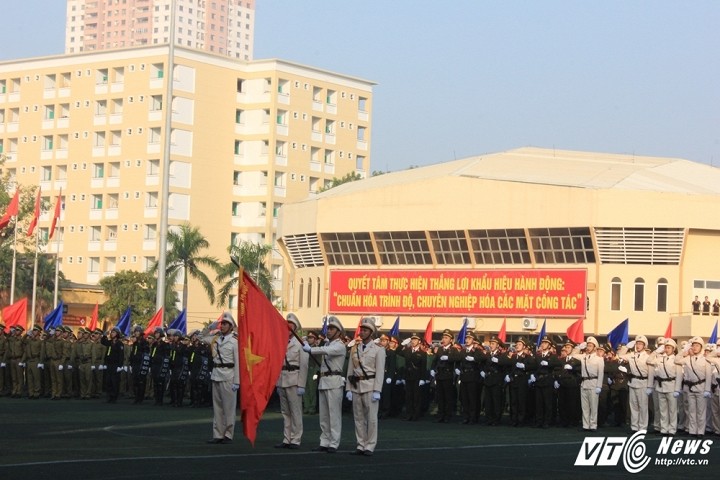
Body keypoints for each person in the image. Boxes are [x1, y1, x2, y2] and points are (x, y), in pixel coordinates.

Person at [303, 315, 346, 453]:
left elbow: (326, 351)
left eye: (332, 328)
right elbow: (324, 349)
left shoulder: (339, 345)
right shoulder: (327, 344)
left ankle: (334, 442)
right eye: (328, 328)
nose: (328, 330)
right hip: (324, 381)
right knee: (324, 416)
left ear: (338, 332)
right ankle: (324, 441)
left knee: (334, 415)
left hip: (334, 381)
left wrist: (311, 349)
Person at [346, 317, 386, 456]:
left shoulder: (378, 350)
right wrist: (348, 389)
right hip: (356, 385)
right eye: (361, 330)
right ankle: (360, 444)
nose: (362, 333)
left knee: (371, 418)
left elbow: (380, 371)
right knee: (358, 417)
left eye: (365, 330)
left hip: (370, 386)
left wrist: (377, 390)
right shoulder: (354, 349)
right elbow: (350, 371)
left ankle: (370, 445)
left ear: (371, 332)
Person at [200, 311, 240, 444]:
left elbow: (238, 363)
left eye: (225, 324)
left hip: (229, 375)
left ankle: (228, 434)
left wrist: (237, 381)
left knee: (228, 408)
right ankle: (218, 434)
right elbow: (200, 337)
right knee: (217, 408)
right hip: (216, 374)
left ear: (231, 326)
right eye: (221, 324)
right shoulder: (215, 339)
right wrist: (210, 327)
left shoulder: (234, 342)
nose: (222, 326)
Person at [275, 313, 308, 450]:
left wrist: (301, 384)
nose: (287, 328)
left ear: (295, 328)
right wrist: (277, 382)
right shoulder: (280, 342)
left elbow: (304, 366)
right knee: (285, 412)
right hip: (282, 379)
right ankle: (286, 438)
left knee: (295, 412)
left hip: (294, 379)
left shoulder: (300, 343)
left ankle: (295, 438)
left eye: (290, 325)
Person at [674, 336, 712, 437]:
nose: (695, 348)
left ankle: (700, 431)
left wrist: (707, 389)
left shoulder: (705, 360)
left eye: (697, 346)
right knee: (691, 410)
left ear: (701, 347)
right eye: (693, 346)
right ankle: (692, 430)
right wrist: (684, 351)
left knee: (700, 411)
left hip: (701, 387)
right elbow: (676, 360)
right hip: (690, 388)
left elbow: (708, 375)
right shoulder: (687, 359)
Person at [647, 338, 681, 435]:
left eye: (669, 347)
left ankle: (672, 429)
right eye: (666, 347)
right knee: (663, 410)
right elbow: (649, 360)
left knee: (672, 410)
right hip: (660, 387)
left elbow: (679, 375)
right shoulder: (660, 358)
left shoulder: (676, 359)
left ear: (673, 349)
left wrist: (677, 389)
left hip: (671, 386)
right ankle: (664, 428)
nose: (667, 349)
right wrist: (656, 351)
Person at [618, 335, 650, 432]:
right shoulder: (632, 355)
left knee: (643, 407)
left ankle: (643, 427)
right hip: (633, 382)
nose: (638, 345)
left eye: (640, 344)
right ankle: (634, 427)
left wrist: (650, 386)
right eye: (637, 343)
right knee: (634, 406)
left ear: (644, 346)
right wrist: (626, 347)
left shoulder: (647, 357)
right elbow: (620, 355)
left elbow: (651, 372)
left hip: (643, 382)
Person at [572, 337, 604, 431]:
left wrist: (599, 386)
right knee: (584, 406)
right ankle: (586, 425)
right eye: (587, 346)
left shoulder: (599, 359)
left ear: (594, 348)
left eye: (590, 346)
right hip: (584, 383)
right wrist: (578, 347)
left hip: (594, 383)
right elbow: (573, 354)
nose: (588, 347)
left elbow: (601, 373)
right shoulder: (584, 357)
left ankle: (593, 425)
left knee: (593, 406)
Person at [395, 333, 427, 422]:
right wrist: (402, 344)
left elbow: (423, 367)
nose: (413, 341)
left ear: (419, 342)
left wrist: (422, 379)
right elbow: (397, 351)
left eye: (415, 340)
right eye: (412, 340)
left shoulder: (422, 353)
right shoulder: (407, 351)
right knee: (408, 397)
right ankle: (409, 414)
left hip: (417, 377)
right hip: (408, 376)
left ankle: (415, 415)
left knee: (416, 397)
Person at [430, 329, 458, 423]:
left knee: (448, 397)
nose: (444, 339)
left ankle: (447, 415)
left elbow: (458, 358)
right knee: (440, 396)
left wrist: (449, 358)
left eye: (446, 338)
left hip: (448, 375)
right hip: (440, 375)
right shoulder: (440, 349)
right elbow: (435, 360)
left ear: (451, 340)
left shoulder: (453, 349)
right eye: (443, 337)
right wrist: (432, 369)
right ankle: (440, 414)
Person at [457, 331, 483, 425]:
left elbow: (482, 358)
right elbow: (458, 360)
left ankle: (473, 417)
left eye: (469, 338)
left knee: (472, 398)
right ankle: (466, 417)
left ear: (473, 340)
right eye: (467, 338)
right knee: (464, 398)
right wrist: (458, 369)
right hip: (464, 376)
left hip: (473, 376)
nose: (467, 340)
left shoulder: (477, 351)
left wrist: (474, 359)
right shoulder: (463, 350)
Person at [534, 336, 556, 429]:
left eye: (546, 343)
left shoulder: (552, 356)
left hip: (547, 380)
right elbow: (534, 366)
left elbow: (557, 364)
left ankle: (547, 421)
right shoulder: (538, 355)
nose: (543, 344)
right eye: (543, 343)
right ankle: (539, 421)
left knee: (547, 403)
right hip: (539, 380)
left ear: (550, 345)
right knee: (539, 403)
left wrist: (548, 363)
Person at [101, 327, 125, 403]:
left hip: (115, 365)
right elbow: (103, 342)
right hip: (109, 364)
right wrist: (105, 335)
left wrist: (120, 366)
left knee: (115, 382)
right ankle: (109, 397)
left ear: (117, 334)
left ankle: (114, 397)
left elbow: (121, 355)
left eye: (113, 332)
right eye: (112, 332)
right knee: (108, 381)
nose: (112, 334)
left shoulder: (119, 344)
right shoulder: (110, 342)